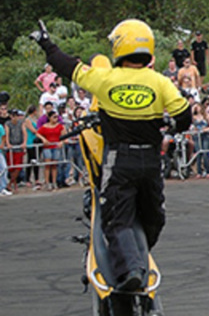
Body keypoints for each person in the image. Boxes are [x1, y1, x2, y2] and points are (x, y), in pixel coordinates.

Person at [32, 19, 191, 291]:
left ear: (119, 47)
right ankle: (141, 256)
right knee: (154, 216)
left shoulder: (106, 79)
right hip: (151, 162)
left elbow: (68, 66)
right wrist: (169, 126)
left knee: (117, 219)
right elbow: (184, 116)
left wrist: (46, 43)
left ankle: (131, 270)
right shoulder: (160, 81)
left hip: (120, 160)